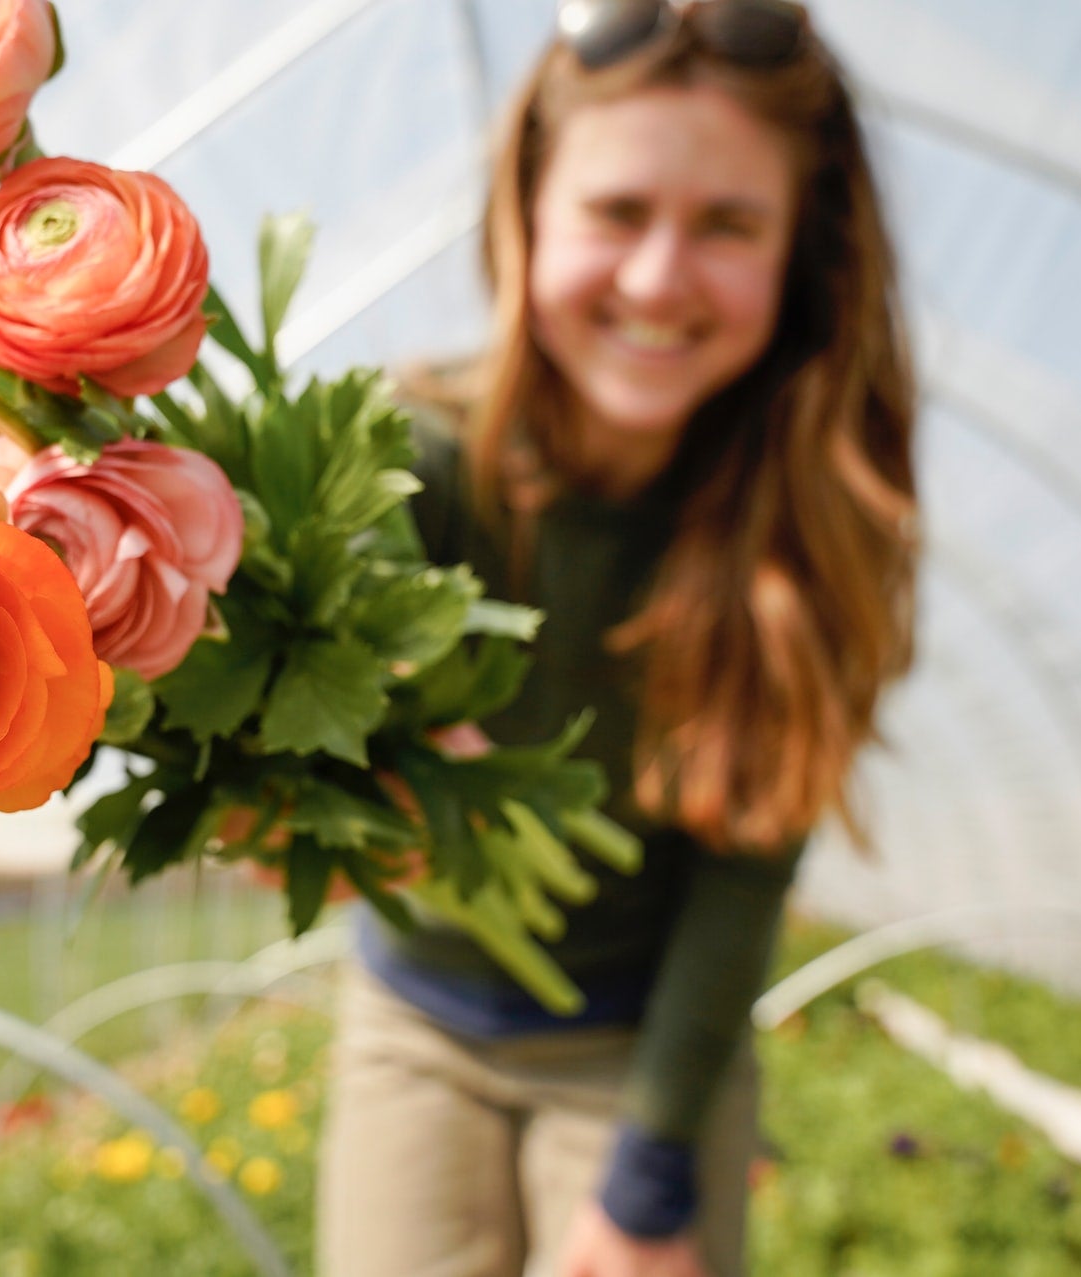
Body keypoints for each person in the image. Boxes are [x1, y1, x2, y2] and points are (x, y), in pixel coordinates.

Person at [316, 2, 918, 1275]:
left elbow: (744, 871)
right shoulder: (397, 463)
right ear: (526, 209)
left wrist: (651, 1174)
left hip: (637, 1044)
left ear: (803, 258)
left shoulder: (807, 535)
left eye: (728, 226)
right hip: (412, 1012)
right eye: (617, 211)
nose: (656, 280)